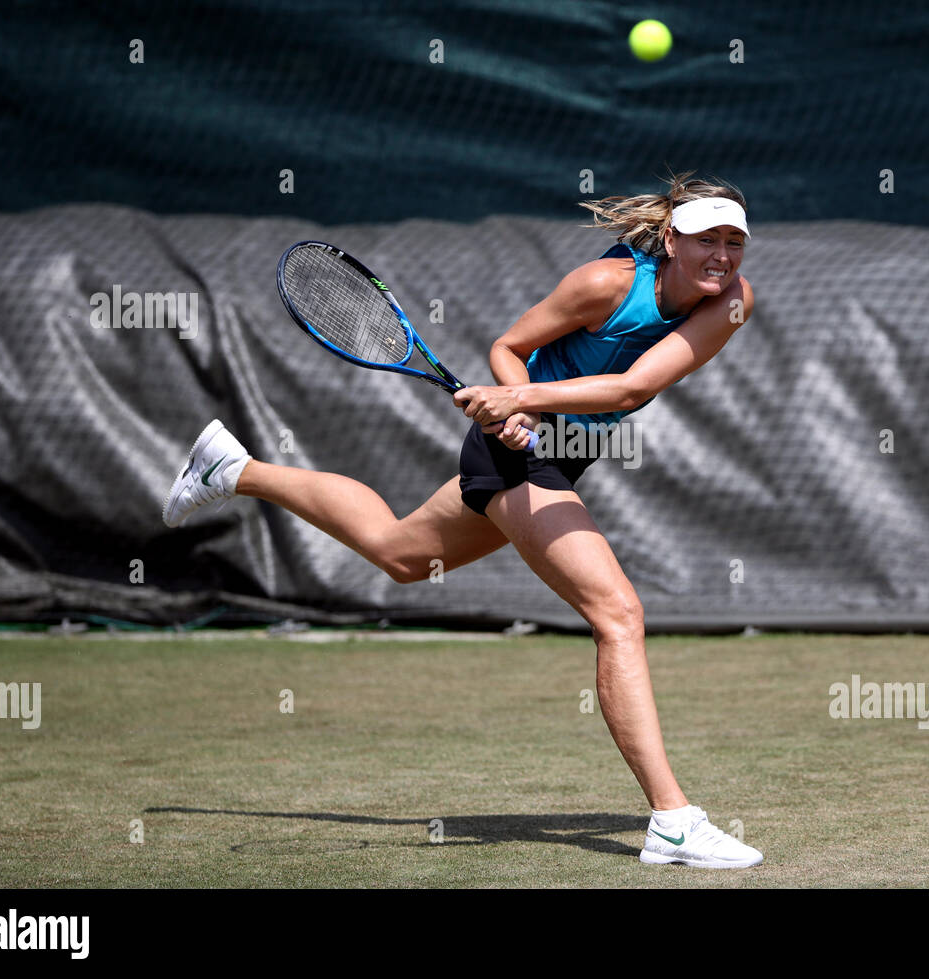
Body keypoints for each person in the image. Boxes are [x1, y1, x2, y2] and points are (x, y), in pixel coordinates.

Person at [162, 171, 762, 868]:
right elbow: (509, 345)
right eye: (705, 239)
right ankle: (673, 820)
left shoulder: (734, 301)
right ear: (669, 240)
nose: (721, 254)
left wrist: (525, 402)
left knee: (399, 553)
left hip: (559, 448)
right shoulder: (604, 286)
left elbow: (634, 387)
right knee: (618, 613)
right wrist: (516, 404)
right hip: (518, 455)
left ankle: (231, 470)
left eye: (733, 240)